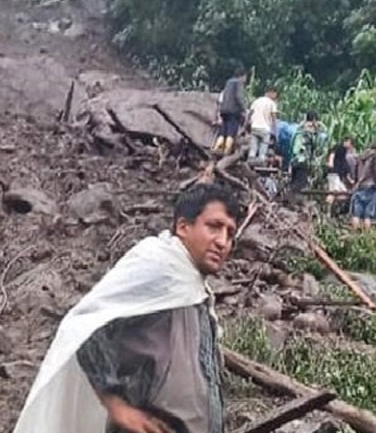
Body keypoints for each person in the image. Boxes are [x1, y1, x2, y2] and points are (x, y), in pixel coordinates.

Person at [13, 184, 240, 433]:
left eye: (230, 234)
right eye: (214, 227)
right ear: (183, 227)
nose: (223, 242)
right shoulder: (157, 268)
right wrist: (118, 407)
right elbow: (85, 327)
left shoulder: (193, 287)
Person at [212, 68, 248, 155]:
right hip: (233, 111)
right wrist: (244, 109)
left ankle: (217, 147)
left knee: (223, 130)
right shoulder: (239, 83)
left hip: (224, 110)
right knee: (231, 131)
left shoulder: (228, 82)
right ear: (242, 76)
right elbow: (239, 97)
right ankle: (226, 150)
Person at [350, 144, 376, 230]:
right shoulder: (375, 158)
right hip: (370, 188)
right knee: (367, 216)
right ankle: (366, 238)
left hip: (360, 186)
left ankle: (354, 235)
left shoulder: (361, 157)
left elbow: (355, 171)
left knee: (356, 214)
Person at [289, 112, 320, 194]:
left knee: (294, 182)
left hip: (295, 160)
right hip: (303, 161)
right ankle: (293, 201)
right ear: (314, 120)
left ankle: (290, 198)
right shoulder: (308, 132)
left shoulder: (299, 129)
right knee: (300, 184)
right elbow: (314, 145)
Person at [248, 87, 279, 163]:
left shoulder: (257, 101)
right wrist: (275, 131)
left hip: (254, 127)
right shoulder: (272, 103)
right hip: (265, 129)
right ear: (272, 93)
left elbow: (250, 113)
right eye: (275, 95)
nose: (275, 97)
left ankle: (251, 159)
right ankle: (261, 160)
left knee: (253, 146)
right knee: (263, 146)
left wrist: (247, 124)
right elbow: (274, 118)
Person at [326, 137, 355, 210]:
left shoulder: (344, 152)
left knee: (343, 193)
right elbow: (332, 154)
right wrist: (331, 162)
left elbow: (344, 164)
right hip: (334, 173)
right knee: (334, 192)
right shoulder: (339, 147)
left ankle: (333, 208)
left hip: (338, 175)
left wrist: (350, 179)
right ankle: (327, 210)